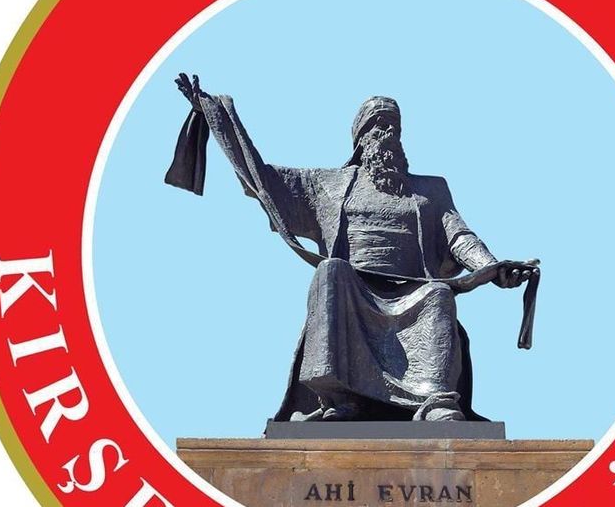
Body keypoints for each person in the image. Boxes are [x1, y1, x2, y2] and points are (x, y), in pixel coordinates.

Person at [167, 74, 538, 422]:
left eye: (393, 126)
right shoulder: (327, 185)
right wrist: (216, 116)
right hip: (351, 291)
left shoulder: (431, 189)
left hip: (415, 291)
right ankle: (341, 397)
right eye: (378, 125)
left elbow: (459, 237)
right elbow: (261, 178)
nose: (387, 133)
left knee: (439, 294)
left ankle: (436, 402)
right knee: (331, 271)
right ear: (360, 139)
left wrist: (493, 268)